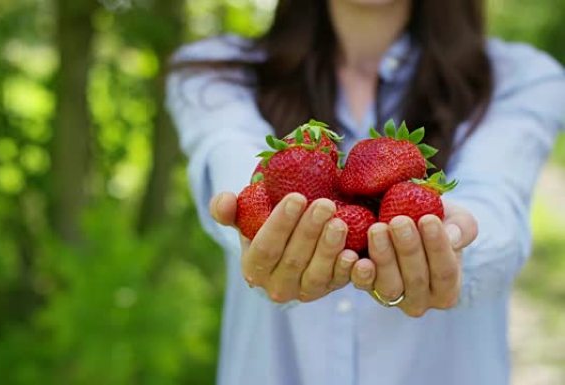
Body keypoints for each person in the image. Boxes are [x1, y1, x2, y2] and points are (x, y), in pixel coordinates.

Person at [166, 1, 565, 384]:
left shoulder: (522, 77)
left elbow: (495, 196)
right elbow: (232, 157)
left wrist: (455, 242)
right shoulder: (214, 72)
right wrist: (261, 223)